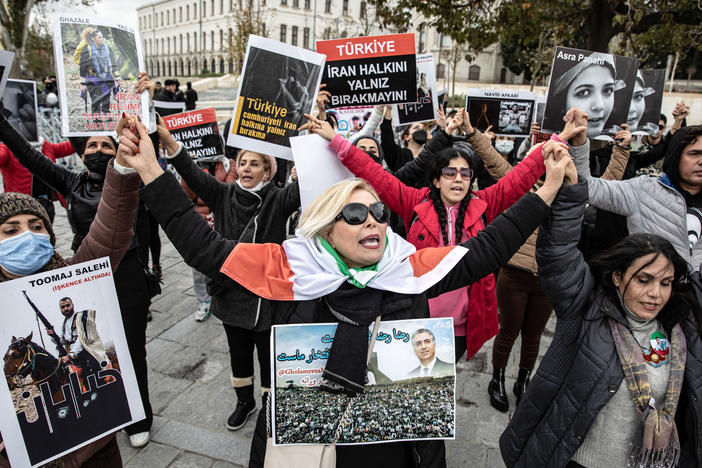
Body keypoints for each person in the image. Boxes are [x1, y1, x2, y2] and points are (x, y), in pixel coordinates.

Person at [116, 109, 572, 466]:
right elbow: (205, 249)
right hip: (310, 447)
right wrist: (154, 172)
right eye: (355, 215)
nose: (371, 220)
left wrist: (547, 191)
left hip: (394, 448)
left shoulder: (409, 268)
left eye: (377, 212)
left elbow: (490, 248)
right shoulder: (292, 270)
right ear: (327, 230)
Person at [312, 109, 586, 363]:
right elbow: (377, 175)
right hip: (417, 317)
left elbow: (519, 178)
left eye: (466, 174)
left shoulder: (485, 203)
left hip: (462, 324)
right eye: (450, 172)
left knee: (445, 374)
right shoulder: (413, 202)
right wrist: (337, 140)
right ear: (436, 179)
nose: (458, 179)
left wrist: (558, 139)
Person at [499, 159, 702, 467]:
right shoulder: (588, 310)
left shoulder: (682, 331)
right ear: (618, 277)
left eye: (666, 283)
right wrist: (569, 190)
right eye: (644, 280)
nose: (655, 294)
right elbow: (559, 253)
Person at [0, 74, 156, 448]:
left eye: (107, 144)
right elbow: (27, 155)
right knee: (82, 346)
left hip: (128, 273)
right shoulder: (70, 183)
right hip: (85, 273)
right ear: (81, 152)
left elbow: (146, 164)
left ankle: (139, 416)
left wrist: (142, 104)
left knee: (130, 347)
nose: (98, 149)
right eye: (92, 145)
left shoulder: (131, 175)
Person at [148, 116, 299, 431]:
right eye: (242, 162)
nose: (245, 168)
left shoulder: (277, 199)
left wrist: (311, 139)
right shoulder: (223, 194)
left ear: (268, 171)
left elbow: (306, 188)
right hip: (231, 295)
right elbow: (191, 172)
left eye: (254, 164)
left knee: (268, 356)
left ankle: (271, 404)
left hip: (266, 299)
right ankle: (244, 401)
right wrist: (168, 142)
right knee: (238, 352)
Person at [572, 117, 702, 270]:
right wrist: (579, 143)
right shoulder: (643, 190)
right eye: (694, 153)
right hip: (653, 292)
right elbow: (587, 187)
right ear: (675, 156)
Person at [549, 51, 624, 138]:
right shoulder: (549, 144)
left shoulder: (616, 136)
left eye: (608, 90)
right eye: (583, 92)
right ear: (562, 100)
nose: (599, 106)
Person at [47, 297, 107, 379]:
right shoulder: (64, 323)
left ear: (72, 305)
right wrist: (52, 335)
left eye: (68, 305)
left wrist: (70, 355)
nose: (66, 308)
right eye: (63, 307)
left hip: (85, 353)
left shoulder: (80, 318)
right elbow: (62, 341)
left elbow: (81, 339)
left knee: (90, 374)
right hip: (72, 357)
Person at [77, 27, 120, 117]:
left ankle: (106, 113)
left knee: (106, 97)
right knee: (95, 99)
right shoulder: (87, 50)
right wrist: (83, 84)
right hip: (93, 79)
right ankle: (96, 117)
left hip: (106, 78)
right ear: (93, 38)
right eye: (99, 37)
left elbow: (113, 62)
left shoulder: (107, 48)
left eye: (102, 37)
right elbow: (82, 68)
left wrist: (117, 77)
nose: (102, 39)